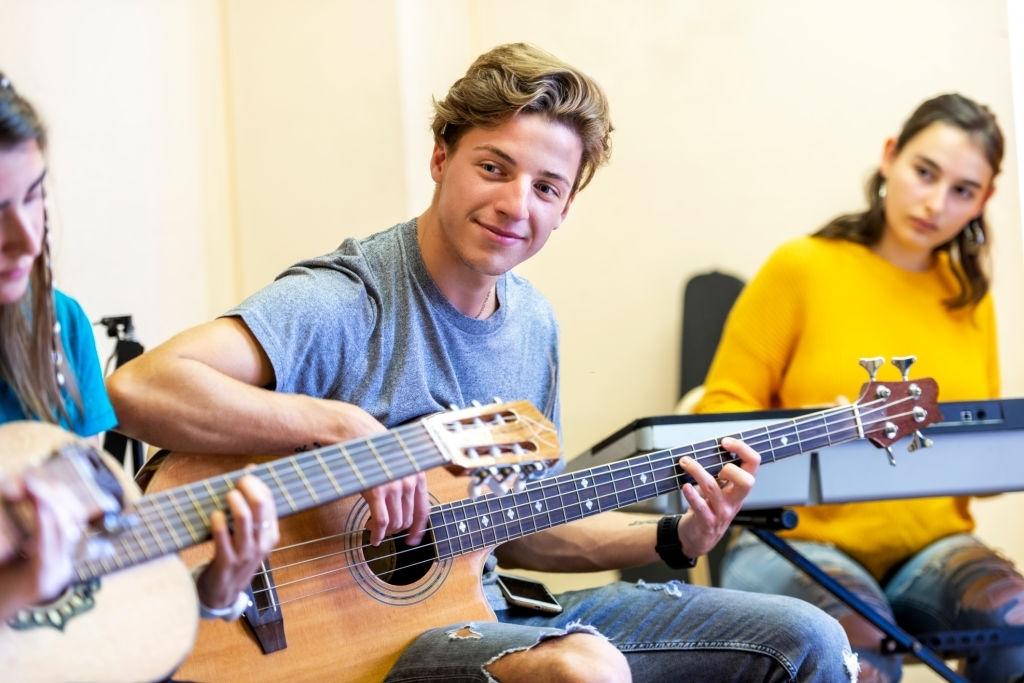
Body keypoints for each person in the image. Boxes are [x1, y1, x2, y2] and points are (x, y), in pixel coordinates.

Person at [108, 43, 854, 681]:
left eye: (546, 188)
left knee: (807, 637)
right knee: (581, 667)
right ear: (441, 157)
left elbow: (514, 522)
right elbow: (139, 388)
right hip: (349, 640)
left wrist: (672, 538)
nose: (515, 204)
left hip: (485, 612)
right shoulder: (347, 300)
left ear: (565, 209)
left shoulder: (532, 325)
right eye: (494, 167)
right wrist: (343, 429)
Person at [696, 93, 1022, 681]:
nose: (935, 203)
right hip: (793, 540)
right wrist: (810, 430)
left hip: (930, 548)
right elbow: (719, 410)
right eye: (925, 172)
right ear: (890, 156)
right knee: (855, 645)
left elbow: (984, 455)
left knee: (1016, 617)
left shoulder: (969, 298)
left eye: (963, 190)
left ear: (985, 199)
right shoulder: (801, 267)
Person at [0, 72, 279, 623]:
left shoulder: (59, 325)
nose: (27, 238)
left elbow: (92, 583)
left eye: (33, 197)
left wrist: (215, 590)